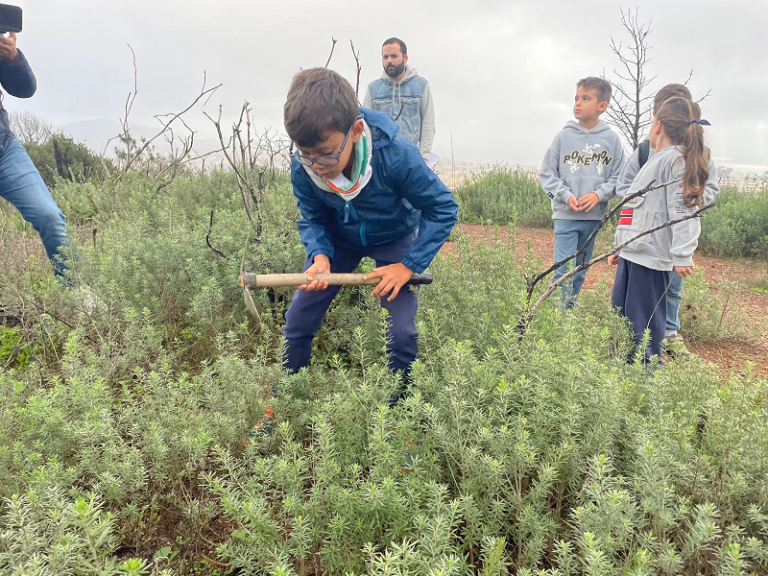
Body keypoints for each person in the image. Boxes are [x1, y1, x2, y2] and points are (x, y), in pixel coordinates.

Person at [246, 68, 457, 441]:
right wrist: (320, 256)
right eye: (306, 154)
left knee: (403, 331)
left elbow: (442, 208)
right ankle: (283, 406)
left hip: (393, 240)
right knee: (298, 317)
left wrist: (408, 266)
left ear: (356, 131)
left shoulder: (397, 157)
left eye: (326, 154)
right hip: (340, 241)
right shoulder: (305, 166)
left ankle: (401, 420)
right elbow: (312, 216)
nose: (317, 165)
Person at [615, 84, 719, 358]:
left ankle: (645, 378)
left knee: (644, 325)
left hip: (651, 260)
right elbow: (632, 205)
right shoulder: (653, 159)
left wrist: (682, 254)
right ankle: (623, 372)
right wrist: (620, 246)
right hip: (633, 253)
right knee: (622, 319)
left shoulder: (677, 162)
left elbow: (685, 209)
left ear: (657, 125)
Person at [539, 77, 625, 309]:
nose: (577, 103)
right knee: (563, 269)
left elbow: (619, 178)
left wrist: (599, 195)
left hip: (593, 217)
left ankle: (569, 311)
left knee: (580, 270)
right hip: (566, 215)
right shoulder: (562, 137)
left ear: (602, 106)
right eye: (576, 98)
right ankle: (558, 320)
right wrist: (566, 196)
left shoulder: (612, 140)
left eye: (585, 98)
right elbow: (547, 175)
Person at [0, 32, 70, 277]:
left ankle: (76, 296)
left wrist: (13, 58)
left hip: (4, 150)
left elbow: (24, 89)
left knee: (49, 216)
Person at [363, 37, 436, 165]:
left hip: (412, 162)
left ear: (405, 58)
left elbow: (428, 124)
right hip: (383, 164)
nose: (389, 61)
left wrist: (422, 160)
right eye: (385, 57)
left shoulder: (421, 86)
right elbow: (365, 128)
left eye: (394, 56)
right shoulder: (373, 90)